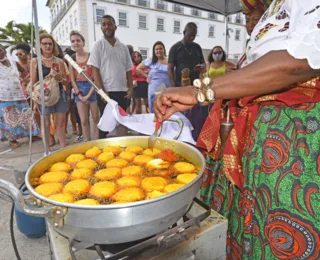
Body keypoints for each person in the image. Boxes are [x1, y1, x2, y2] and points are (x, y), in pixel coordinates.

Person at [154, 0, 320, 259]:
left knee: (281, 232)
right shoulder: (277, 6)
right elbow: (255, 68)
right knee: (248, 227)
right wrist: (204, 90)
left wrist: (201, 91)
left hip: (295, 144)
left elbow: (298, 62)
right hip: (255, 143)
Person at [88, 15, 133, 138]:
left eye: (109, 24)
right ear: (101, 28)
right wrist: (102, 91)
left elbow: (129, 69)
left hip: (122, 91)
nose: (107, 26)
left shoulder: (123, 47)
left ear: (115, 27)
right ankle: (102, 151)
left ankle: (122, 149)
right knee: (105, 124)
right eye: (104, 24)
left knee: (121, 122)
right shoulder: (98, 45)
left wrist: (130, 88)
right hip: (106, 92)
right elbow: (95, 69)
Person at [168, 22, 207, 140]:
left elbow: (204, 64)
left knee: (194, 112)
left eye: (193, 36)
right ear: (184, 32)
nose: (191, 38)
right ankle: (181, 136)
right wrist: (173, 87)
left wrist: (201, 67)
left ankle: (192, 136)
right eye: (189, 35)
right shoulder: (175, 48)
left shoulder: (197, 47)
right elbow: (170, 69)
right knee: (181, 112)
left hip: (194, 86)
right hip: (180, 86)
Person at [31, 33, 69, 149]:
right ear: (40, 46)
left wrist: (60, 78)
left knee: (60, 124)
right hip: (43, 95)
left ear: (53, 46)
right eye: (44, 44)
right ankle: (47, 151)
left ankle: (63, 148)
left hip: (59, 94)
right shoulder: (35, 61)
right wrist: (35, 102)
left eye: (50, 44)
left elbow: (66, 83)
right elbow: (33, 83)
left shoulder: (59, 61)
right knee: (45, 124)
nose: (47, 46)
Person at [0, 44, 38, 147]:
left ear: (4, 51)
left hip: (19, 94)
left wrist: (26, 80)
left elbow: (25, 72)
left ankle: (31, 135)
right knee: (9, 119)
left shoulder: (14, 63)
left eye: (0, 51)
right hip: (4, 97)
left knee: (25, 115)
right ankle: (12, 140)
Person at [69, 31, 99, 142]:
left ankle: (97, 141)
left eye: (78, 40)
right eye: (73, 41)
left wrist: (89, 94)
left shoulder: (91, 56)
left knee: (95, 118)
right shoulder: (71, 58)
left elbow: (95, 77)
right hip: (79, 90)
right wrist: (79, 94)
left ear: (83, 42)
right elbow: (72, 79)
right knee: (84, 120)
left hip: (92, 87)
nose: (75, 43)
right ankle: (87, 141)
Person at [136, 41, 170, 112]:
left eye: (160, 48)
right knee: (156, 109)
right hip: (155, 89)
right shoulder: (151, 60)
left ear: (164, 49)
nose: (158, 51)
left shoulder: (169, 60)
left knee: (167, 110)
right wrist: (147, 76)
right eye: (156, 49)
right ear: (154, 51)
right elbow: (138, 68)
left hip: (167, 88)